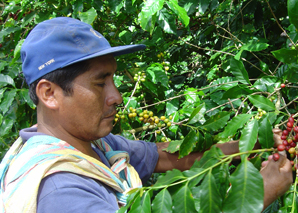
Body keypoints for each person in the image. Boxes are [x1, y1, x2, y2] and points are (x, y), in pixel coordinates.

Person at [0, 17, 292, 212]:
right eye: (101, 83)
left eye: (114, 80)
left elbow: (168, 156)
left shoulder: (98, 147)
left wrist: (251, 145)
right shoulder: (62, 193)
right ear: (49, 93)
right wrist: (259, 194)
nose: (117, 97)